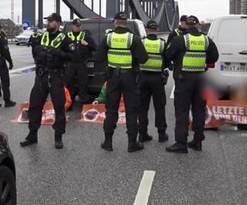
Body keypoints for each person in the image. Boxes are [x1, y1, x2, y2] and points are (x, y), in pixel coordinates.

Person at [20, 13, 75, 149]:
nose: (48, 23)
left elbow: (74, 57)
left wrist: (60, 54)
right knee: (34, 106)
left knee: (59, 107)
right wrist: (35, 47)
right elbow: (35, 54)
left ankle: (58, 136)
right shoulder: (41, 36)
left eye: (51, 21)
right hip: (41, 76)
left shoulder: (65, 39)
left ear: (58, 23)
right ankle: (32, 134)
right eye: (48, 21)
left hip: (56, 76)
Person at [96, 12, 148, 153]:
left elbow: (98, 57)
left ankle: (108, 142)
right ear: (126, 23)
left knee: (111, 109)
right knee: (131, 110)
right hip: (130, 78)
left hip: (113, 78)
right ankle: (132, 143)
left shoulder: (109, 38)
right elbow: (143, 59)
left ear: (115, 22)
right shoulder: (133, 39)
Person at [165, 15, 218, 153]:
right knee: (199, 110)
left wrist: (178, 59)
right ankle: (198, 141)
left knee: (182, 110)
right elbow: (214, 57)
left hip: (183, 80)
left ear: (186, 25)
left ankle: (181, 143)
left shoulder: (180, 39)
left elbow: (168, 55)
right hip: (200, 78)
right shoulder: (206, 40)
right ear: (198, 25)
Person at [137, 20, 170, 143]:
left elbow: (137, 58)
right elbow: (167, 61)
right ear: (156, 30)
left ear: (146, 29)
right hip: (157, 78)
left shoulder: (141, 42)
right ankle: (161, 134)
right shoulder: (162, 44)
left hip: (143, 78)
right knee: (159, 106)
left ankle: (142, 134)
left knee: (142, 107)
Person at [64, 18, 97, 106]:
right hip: (70, 63)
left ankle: (84, 100)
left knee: (83, 82)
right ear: (73, 26)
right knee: (69, 82)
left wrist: (87, 44)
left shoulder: (85, 35)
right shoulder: (67, 35)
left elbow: (94, 47)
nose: (77, 28)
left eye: (79, 26)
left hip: (81, 63)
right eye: (76, 26)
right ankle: (69, 100)